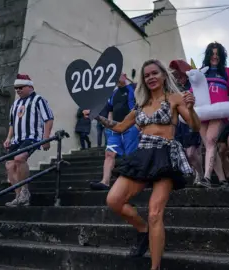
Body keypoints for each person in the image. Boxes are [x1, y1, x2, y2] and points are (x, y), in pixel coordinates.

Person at [95, 59, 200, 270]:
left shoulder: (175, 98)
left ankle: (155, 267)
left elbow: (194, 126)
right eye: (147, 75)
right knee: (114, 200)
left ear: (163, 76)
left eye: (154, 73)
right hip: (142, 155)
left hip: (165, 155)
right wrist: (96, 115)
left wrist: (191, 108)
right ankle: (143, 230)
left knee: (155, 213)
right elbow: (120, 127)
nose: (151, 77)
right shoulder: (140, 105)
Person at [4, 74, 54, 207]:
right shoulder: (15, 103)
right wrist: (9, 138)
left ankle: (25, 192)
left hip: (32, 136)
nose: (18, 90)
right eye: (16, 88)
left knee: (20, 158)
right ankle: (19, 195)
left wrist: (46, 138)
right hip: (17, 139)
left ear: (30, 87)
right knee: (9, 165)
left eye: (21, 87)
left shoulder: (38, 100)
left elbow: (48, 119)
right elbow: (12, 123)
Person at [195, 42, 229, 188]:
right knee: (209, 145)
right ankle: (222, 180)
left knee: (211, 139)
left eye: (217, 54)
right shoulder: (201, 72)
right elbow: (192, 90)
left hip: (219, 112)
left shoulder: (227, 72)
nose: (215, 57)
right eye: (212, 54)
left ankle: (206, 178)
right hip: (202, 112)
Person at [90, 73, 139, 190]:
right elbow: (110, 110)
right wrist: (109, 126)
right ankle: (105, 181)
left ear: (124, 76)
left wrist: (137, 125)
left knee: (130, 155)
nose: (115, 79)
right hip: (115, 127)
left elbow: (139, 106)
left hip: (130, 127)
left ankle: (132, 181)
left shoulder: (133, 88)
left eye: (118, 76)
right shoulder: (113, 93)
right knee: (109, 153)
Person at [169, 59, 204, 184]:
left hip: (192, 120)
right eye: (175, 76)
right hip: (179, 125)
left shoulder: (194, 84)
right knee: (186, 153)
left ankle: (200, 174)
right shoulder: (174, 89)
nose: (177, 78)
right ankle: (196, 175)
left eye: (179, 75)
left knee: (192, 153)